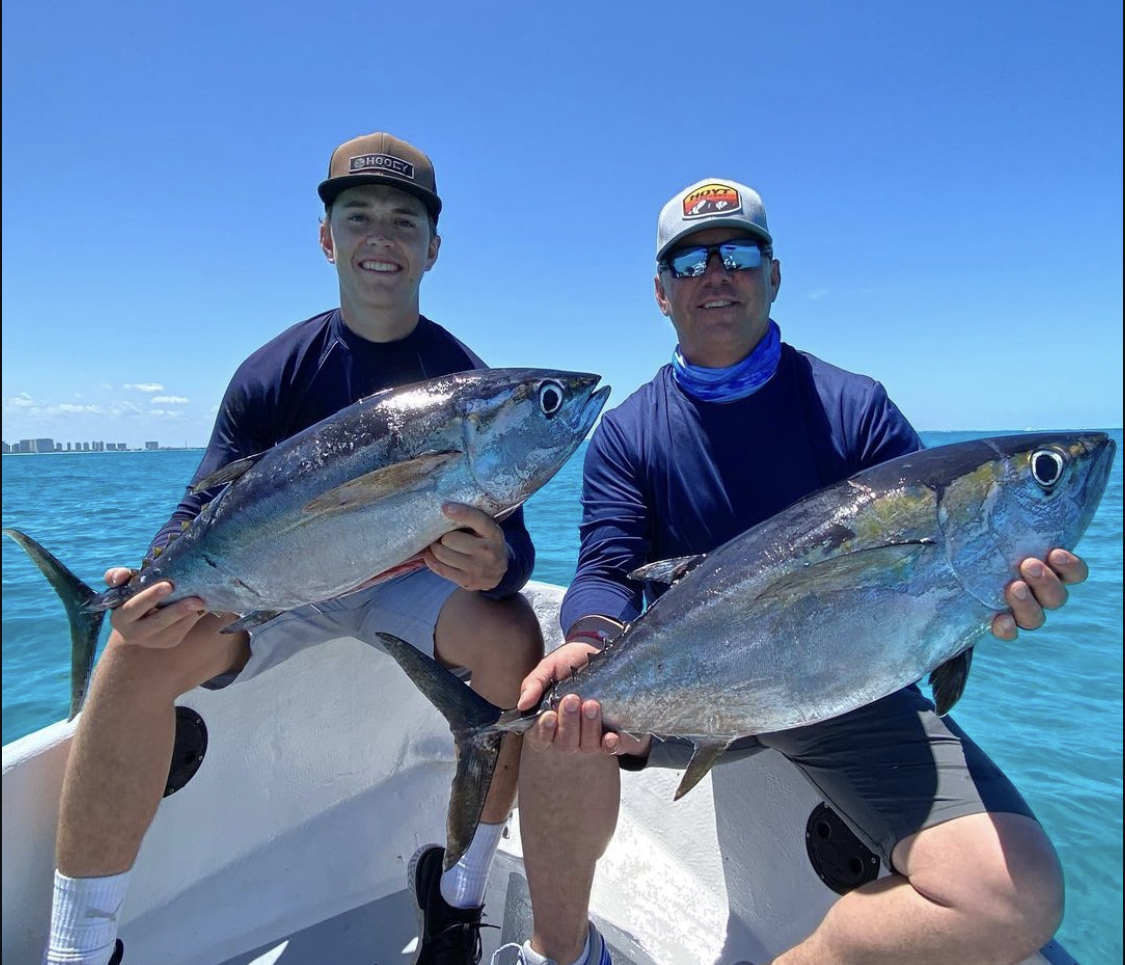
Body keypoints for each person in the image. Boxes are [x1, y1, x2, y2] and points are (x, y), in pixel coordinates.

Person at [513, 178, 1089, 965]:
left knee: (1015, 895)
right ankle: (562, 953)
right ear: (660, 293)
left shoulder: (852, 406)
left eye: (739, 253)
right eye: (689, 263)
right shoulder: (627, 435)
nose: (715, 274)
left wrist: (991, 606)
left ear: (773, 274)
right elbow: (607, 566)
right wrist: (586, 633)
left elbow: (928, 576)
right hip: (689, 689)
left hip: (847, 691)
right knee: (554, 729)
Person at [43, 132, 547, 965]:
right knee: (132, 658)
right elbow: (199, 509)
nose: (381, 238)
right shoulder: (271, 372)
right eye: (360, 218)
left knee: (513, 641)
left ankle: (458, 898)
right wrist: (150, 580)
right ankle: (78, 948)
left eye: (403, 221)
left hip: (400, 577)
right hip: (274, 584)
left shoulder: (468, 382)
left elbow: (516, 548)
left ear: (432, 247)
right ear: (328, 238)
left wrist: (499, 566)